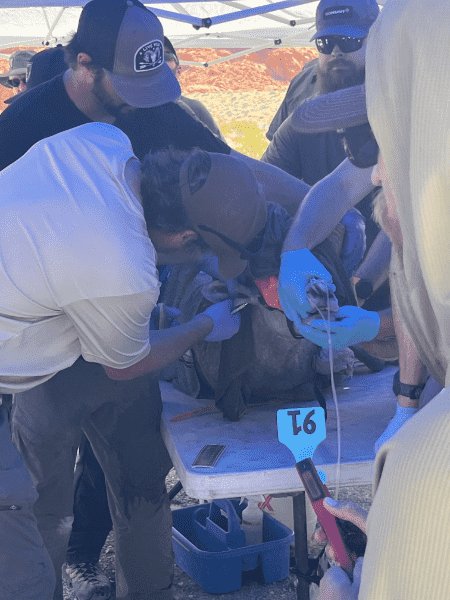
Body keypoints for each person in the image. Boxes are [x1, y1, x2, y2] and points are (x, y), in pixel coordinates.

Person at [0, 2, 310, 598]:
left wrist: (316, 207)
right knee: (40, 506)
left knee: (142, 488)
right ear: (82, 63)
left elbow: (230, 167)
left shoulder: (119, 127)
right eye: (130, 83)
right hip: (41, 355)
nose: (146, 101)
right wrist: (200, 325)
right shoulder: (26, 124)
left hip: (122, 324)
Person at [297, 1, 450, 598]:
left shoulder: (433, 469)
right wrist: (293, 250)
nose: (377, 173)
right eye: (324, 43)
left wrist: (353, 587)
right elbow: (337, 190)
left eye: (391, 147)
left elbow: (408, 252)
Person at [263, 0, 381, 280]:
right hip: (324, 270)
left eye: (350, 41)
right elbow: (267, 180)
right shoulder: (305, 101)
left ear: (378, 41)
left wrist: (363, 282)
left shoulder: (403, 104)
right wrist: (294, 254)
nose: (337, 51)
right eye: (326, 43)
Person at [163, 36, 225, 140]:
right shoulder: (134, 111)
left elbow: (221, 147)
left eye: (166, 56)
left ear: (179, 70)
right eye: (152, 57)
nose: (159, 62)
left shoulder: (195, 108)